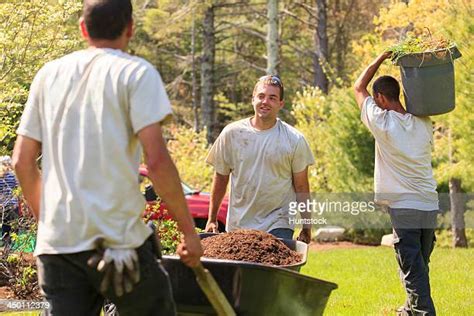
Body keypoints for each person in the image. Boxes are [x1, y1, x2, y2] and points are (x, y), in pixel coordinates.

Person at [12, 0, 203, 315]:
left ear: (82, 29)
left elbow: (22, 161)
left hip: (58, 247)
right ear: (130, 29)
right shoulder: (136, 73)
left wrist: (49, 222)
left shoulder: (48, 75)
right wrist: (188, 231)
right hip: (119, 243)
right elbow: (156, 163)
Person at [354, 52, 438, 316]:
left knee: (413, 268)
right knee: (419, 265)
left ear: (379, 98)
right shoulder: (424, 122)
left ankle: (423, 313)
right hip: (429, 204)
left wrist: (380, 57)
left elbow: (358, 87)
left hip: (404, 207)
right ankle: (409, 310)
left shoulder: (382, 122)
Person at [205, 75, 314, 243]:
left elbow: (301, 186)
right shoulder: (232, 134)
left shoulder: (294, 139)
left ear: (281, 104)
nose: (265, 102)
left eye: (272, 98)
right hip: (239, 224)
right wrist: (212, 219)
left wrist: (306, 227)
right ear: (253, 99)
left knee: (271, 266)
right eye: (261, 96)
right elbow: (221, 178)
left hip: (279, 221)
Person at [0, 156, 19, 246]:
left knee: (5, 227)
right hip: (13, 205)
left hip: (3, 205)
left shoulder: (0, 177)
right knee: (15, 226)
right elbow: (18, 189)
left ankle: (6, 245)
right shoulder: (13, 176)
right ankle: (12, 246)